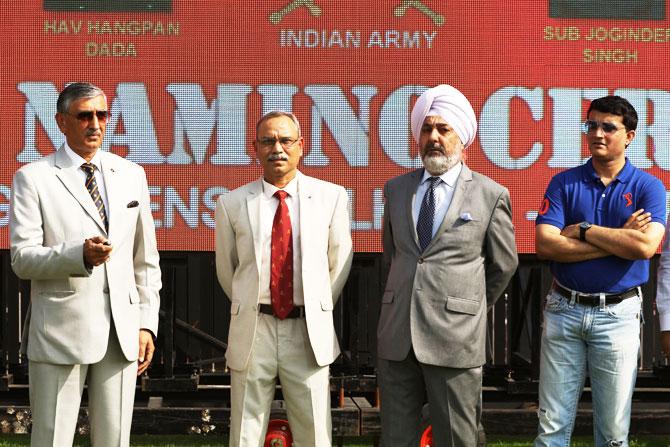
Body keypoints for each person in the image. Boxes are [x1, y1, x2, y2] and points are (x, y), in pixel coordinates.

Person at [9, 82, 161, 446]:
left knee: (115, 440)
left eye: (102, 114)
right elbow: (21, 259)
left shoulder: (132, 174)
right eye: (84, 116)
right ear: (61, 122)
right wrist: (78, 256)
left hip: (122, 334)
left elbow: (145, 260)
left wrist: (146, 324)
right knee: (52, 439)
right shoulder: (34, 177)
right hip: (61, 332)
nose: (95, 124)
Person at [378, 84, 518, 446]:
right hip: (398, 337)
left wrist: (465, 306)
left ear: (463, 137)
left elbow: (503, 265)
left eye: (444, 129)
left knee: (457, 437)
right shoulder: (396, 189)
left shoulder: (491, 194)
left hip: (455, 338)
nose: (434, 138)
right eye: (426, 129)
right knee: (396, 438)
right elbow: (393, 256)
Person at [215, 110, 353, 446]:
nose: (277, 148)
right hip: (254, 328)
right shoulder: (231, 203)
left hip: (306, 331)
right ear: (255, 148)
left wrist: (315, 307)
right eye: (268, 141)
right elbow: (228, 271)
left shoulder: (331, 197)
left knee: (314, 432)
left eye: (285, 140)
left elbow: (339, 263)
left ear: (301, 146)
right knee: (245, 431)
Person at [534, 95, 666, 446]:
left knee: (612, 434)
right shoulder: (563, 183)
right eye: (591, 125)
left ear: (630, 136)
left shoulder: (648, 187)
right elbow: (546, 246)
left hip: (618, 313)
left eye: (609, 127)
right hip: (564, 309)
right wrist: (619, 237)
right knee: (551, 431)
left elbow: (645, 247)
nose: (598, 133)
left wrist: (583, 229)